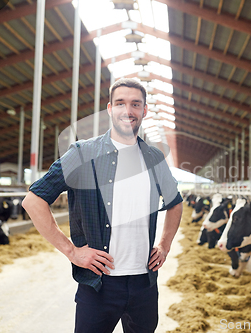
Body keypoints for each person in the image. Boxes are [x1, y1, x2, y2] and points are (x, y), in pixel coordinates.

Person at [22, 78, 183, 333]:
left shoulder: (154, 158)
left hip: (144, 284)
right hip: (98, 285)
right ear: (110, 108)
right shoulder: (82, 153)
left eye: (135, 104)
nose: (127, 111)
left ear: (144, 111)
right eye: (120, 103)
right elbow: (33, 200)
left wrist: (164, 244)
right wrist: (72, 252)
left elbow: (175, 203)